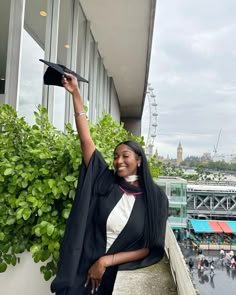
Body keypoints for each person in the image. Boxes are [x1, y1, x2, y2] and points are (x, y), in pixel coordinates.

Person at [50, 73, 169, 295]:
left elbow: (148, 247)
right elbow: (86, 141)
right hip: (82, 269)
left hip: (114, 275)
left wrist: (106, 261)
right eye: (116, 156)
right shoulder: (107, 183)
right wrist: (76, 94)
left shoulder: (155, 199)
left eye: (125, 155)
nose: (118, 160)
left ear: (139, 159)